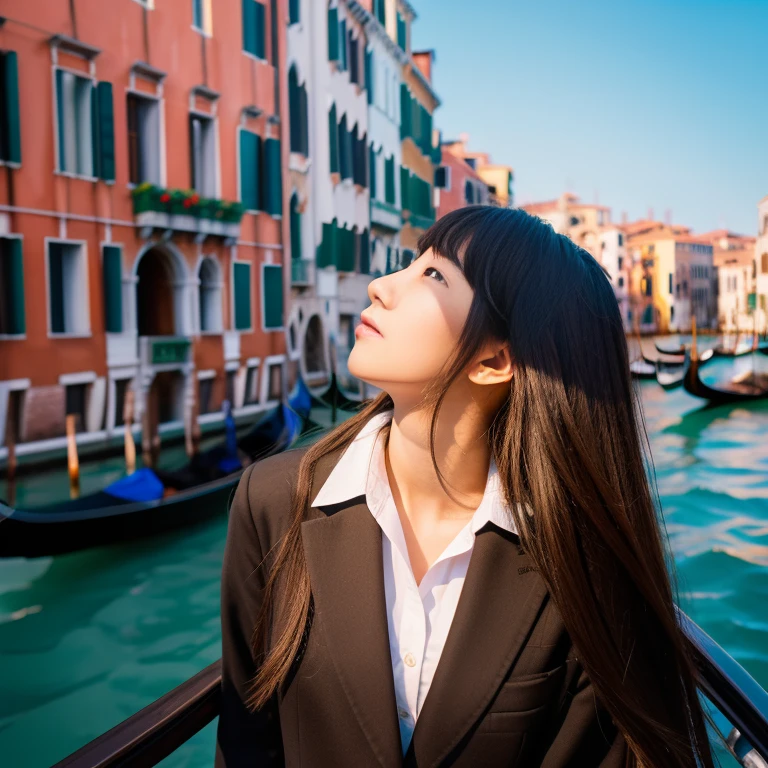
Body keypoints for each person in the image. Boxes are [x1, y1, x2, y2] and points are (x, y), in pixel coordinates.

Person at [215, 206, 716, 767]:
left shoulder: (576, 566)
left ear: (495, 359)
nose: (381, 286)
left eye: (434, 275)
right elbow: (245, 746)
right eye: (412, 264)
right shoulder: (271, 499)